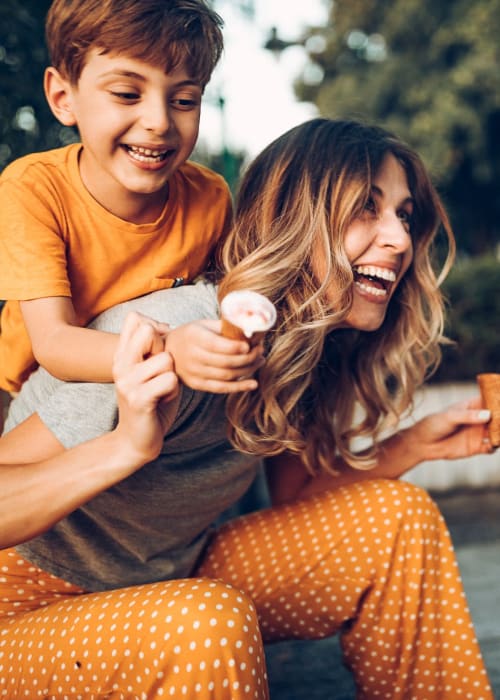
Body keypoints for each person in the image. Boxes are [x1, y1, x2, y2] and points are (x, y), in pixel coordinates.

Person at [0, 118, 495, 699]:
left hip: (165, 578)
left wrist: (415, 444)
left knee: (397, 519)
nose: (400, 240)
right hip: (25, 608)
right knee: (205, 624)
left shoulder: (305, 352)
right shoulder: (175, 331)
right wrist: (124, 448)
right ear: (295, 216)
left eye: (405, 216)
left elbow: (290, 499)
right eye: (367, 207)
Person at [0, 0, 259, 407]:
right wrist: (171, 348)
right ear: (63, 96)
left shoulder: (209, 198)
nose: (159, 121)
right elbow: (53, 343)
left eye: (185, 101)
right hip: (26, 391)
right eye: (126, 94)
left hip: (136, 393)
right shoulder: (33, 187)